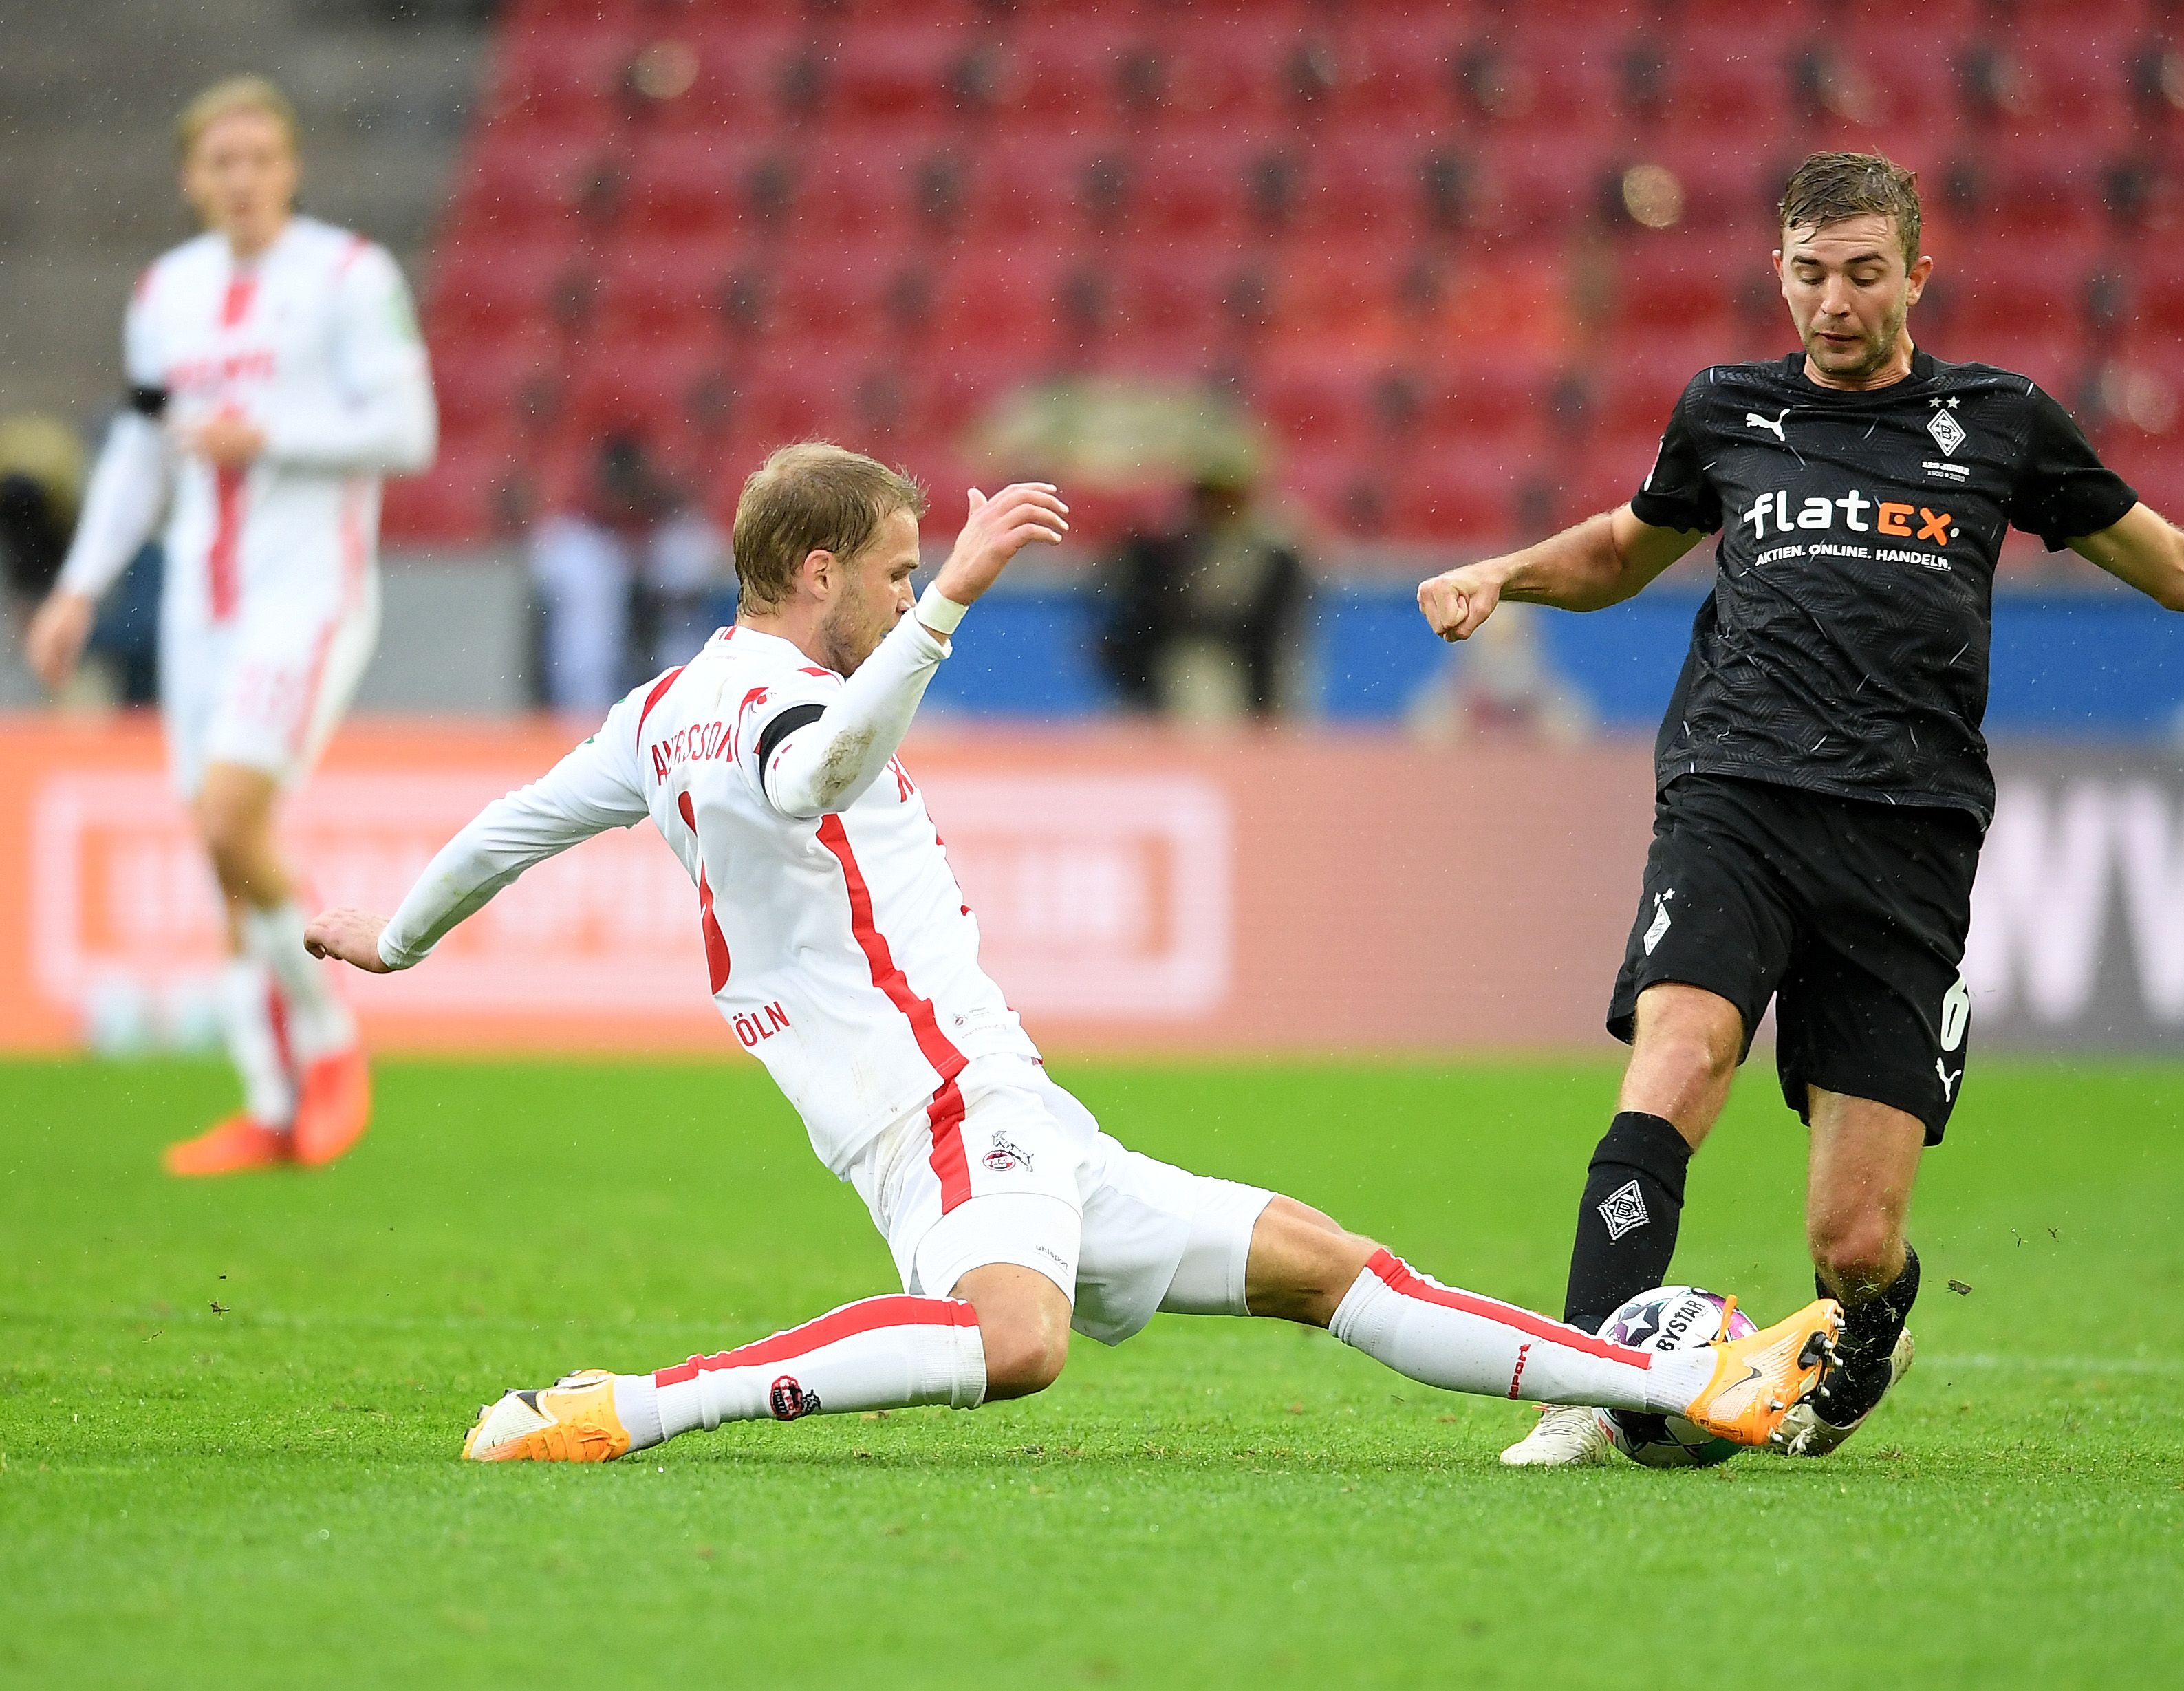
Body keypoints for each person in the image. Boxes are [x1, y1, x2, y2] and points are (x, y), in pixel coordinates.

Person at [300, 442, 1841, 1463]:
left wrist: (399, 933)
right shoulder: (778, 707)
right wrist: (952, 606)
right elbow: (812, 773)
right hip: (944, 1110)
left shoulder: (656, 709)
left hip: (1016, 1115)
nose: (913, 586)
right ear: (821, 571)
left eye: (925, 569)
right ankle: (623, 1407)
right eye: (895, 568)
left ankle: (1666, 1380)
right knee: (1012, 1342)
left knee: (1331, 1265)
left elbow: (516, 820)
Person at [1415, 151, 2184, 1467]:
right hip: (1736, 793)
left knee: (1851, 1236)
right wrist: (1507, 571)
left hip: (1908, 832)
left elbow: (2178, 564)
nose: (1832, 303)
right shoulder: (1725, 409)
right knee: (1678, 1056)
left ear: (1916, 275)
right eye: (1806, 274)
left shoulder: (2000, 420)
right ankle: (1580, 1383)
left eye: (1861, 274)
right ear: (1777, 271)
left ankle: (1878, 1319)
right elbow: (1623, 546)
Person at [23, 76, 437, 1175]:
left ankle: (331, 1039)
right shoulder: (169, 293)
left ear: (291, 167)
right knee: (220, 850)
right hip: (197, 615)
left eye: (261, 157)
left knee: (227, 816)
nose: (243, 178)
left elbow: (407, 428)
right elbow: (139, 451)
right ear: (192, 178)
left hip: (306, 596)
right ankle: (270, 1097)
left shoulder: (349, 275)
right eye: (222, 161)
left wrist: (275, 434)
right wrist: (78, 585)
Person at [529, 433, 734, 715]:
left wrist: (652, 589)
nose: (624, 496)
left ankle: (683, 712)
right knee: (586, 580)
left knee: (681, 568)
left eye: (631, 484)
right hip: (588, 695)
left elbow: (719, 585)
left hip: (672, 686)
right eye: (616, 484)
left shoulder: (680, 532)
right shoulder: (573, 539)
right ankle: (579, 712)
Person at [1094, 466, 1308, 720]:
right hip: (1176, 677)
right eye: (1207, 495)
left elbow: (1270, 630)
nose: (1213, 505)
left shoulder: (1272, 552)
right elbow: (1142, 614)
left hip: (1236, 679)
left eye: (1223, 495)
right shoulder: (1170, 546)